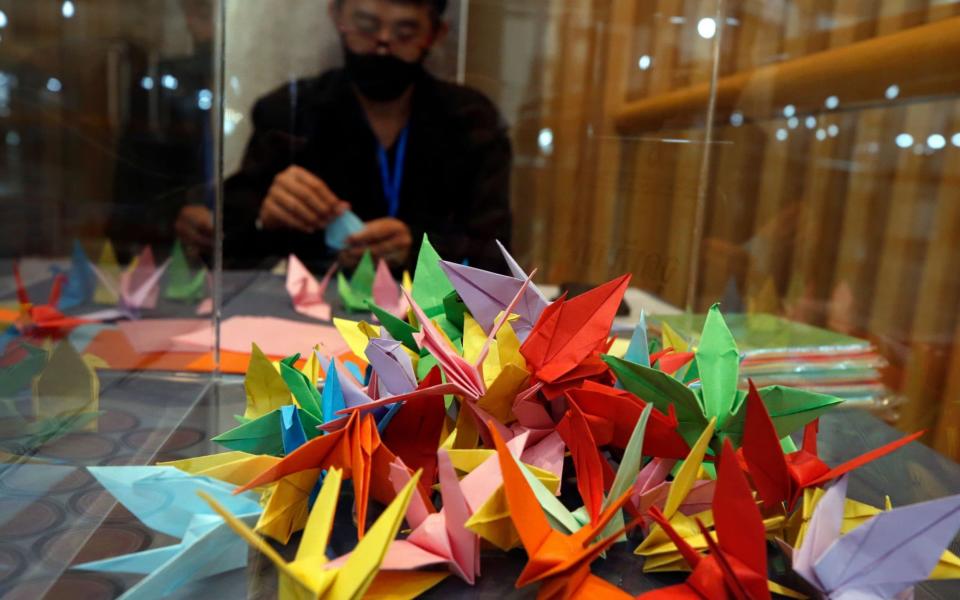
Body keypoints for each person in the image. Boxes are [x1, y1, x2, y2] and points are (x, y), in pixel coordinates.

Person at [176, 0, 512, 272]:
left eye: (405, 32)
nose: (382, 46)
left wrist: (419, 247)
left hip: (433, 323)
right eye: (366, 27)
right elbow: (231, 235)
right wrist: (260, 216)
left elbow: (496, 253)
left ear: (436, 34)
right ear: (336, 15)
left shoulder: (472, 122)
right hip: (309, 322)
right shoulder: (290, 112)